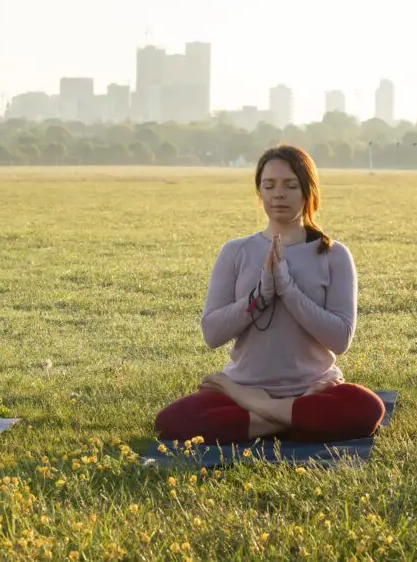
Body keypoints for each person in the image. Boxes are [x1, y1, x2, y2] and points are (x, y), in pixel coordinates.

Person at [154, 145, 385, 444]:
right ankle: (295, 419)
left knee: (366, 409)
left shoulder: (333, 254)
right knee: (170, 421)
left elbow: (340, 339)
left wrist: (288, 289)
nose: (279, 194)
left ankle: (263, 413)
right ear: (260, 192)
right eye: (269, 185)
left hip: (313, 388)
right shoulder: (235, 251)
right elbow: (212, 333)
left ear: (308, 191)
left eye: (290, 185)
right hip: (245, 385)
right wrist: (260, 296)